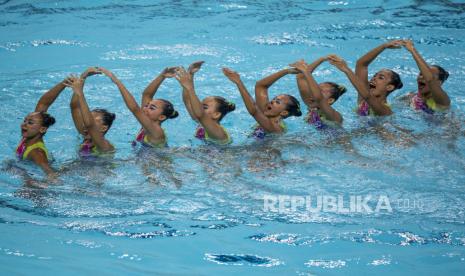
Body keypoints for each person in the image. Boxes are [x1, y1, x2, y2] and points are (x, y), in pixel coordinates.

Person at [98, 67, 178, 148]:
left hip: (157, 161)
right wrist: (162, 76)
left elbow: (134, 108)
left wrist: (117, 82)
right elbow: (147, 95)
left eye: (152, 108)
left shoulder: (156, 131)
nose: (144, 108)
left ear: (161, 117)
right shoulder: (146, 125)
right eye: (147, 105)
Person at [223, 67, 302, 139]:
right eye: (274, 99)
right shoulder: (267, 113)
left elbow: (254, 110)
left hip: (264, 154)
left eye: (277, 102)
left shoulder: (277, 128)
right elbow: (260, 86)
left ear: (284, 112)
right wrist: (287, 71)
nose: (272, 101)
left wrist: (239, 82)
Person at [16, 78, 69, 176]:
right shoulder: (27, 137)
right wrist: (63, 83)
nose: (24, 124)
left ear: (42, 129)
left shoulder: (37, 152)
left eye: (30, 122)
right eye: (25, 121)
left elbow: (50, 172)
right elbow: (43, 103)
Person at [175, 62, 234, 145]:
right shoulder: (201, 122)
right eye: (200, 105)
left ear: (216, 114)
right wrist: (190, 74)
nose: (198, 107)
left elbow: (200, 113)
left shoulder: (218, 131)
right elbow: (188, 100)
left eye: (204, 107)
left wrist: (190, 88)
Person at [67, 68, 115, 157]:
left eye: (92, 119)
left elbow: (89, 124)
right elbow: (74, 107)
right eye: (86, 117)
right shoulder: (85, 134)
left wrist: (80, 93)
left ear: (103, 128)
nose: (85, 121)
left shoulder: (105, 145)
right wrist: (82, 77)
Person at [292, 57, 346, 128]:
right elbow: (301, 77)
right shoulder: (312, 105)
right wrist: (323, 59)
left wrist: (305, 71)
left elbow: (319, 98)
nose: (313, 91)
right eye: (314, 88)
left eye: (319, 90)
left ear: (330, 100)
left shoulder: (334, 115)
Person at [355, 40, 404, 116]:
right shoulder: (363, 99)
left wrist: (346, 70)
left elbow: (369, 98)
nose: (373, 78)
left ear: (389, 87)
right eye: (374, 75)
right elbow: (361, 64)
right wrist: (383, 46)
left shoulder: (386, 110)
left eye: (381, 77)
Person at [401, 39, 450, 114]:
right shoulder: (410, 97)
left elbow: (430, 79)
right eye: (421, 74)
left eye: (426, 74)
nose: (423, 77)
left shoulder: (442, 100)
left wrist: (412, 49)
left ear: (439, 83)